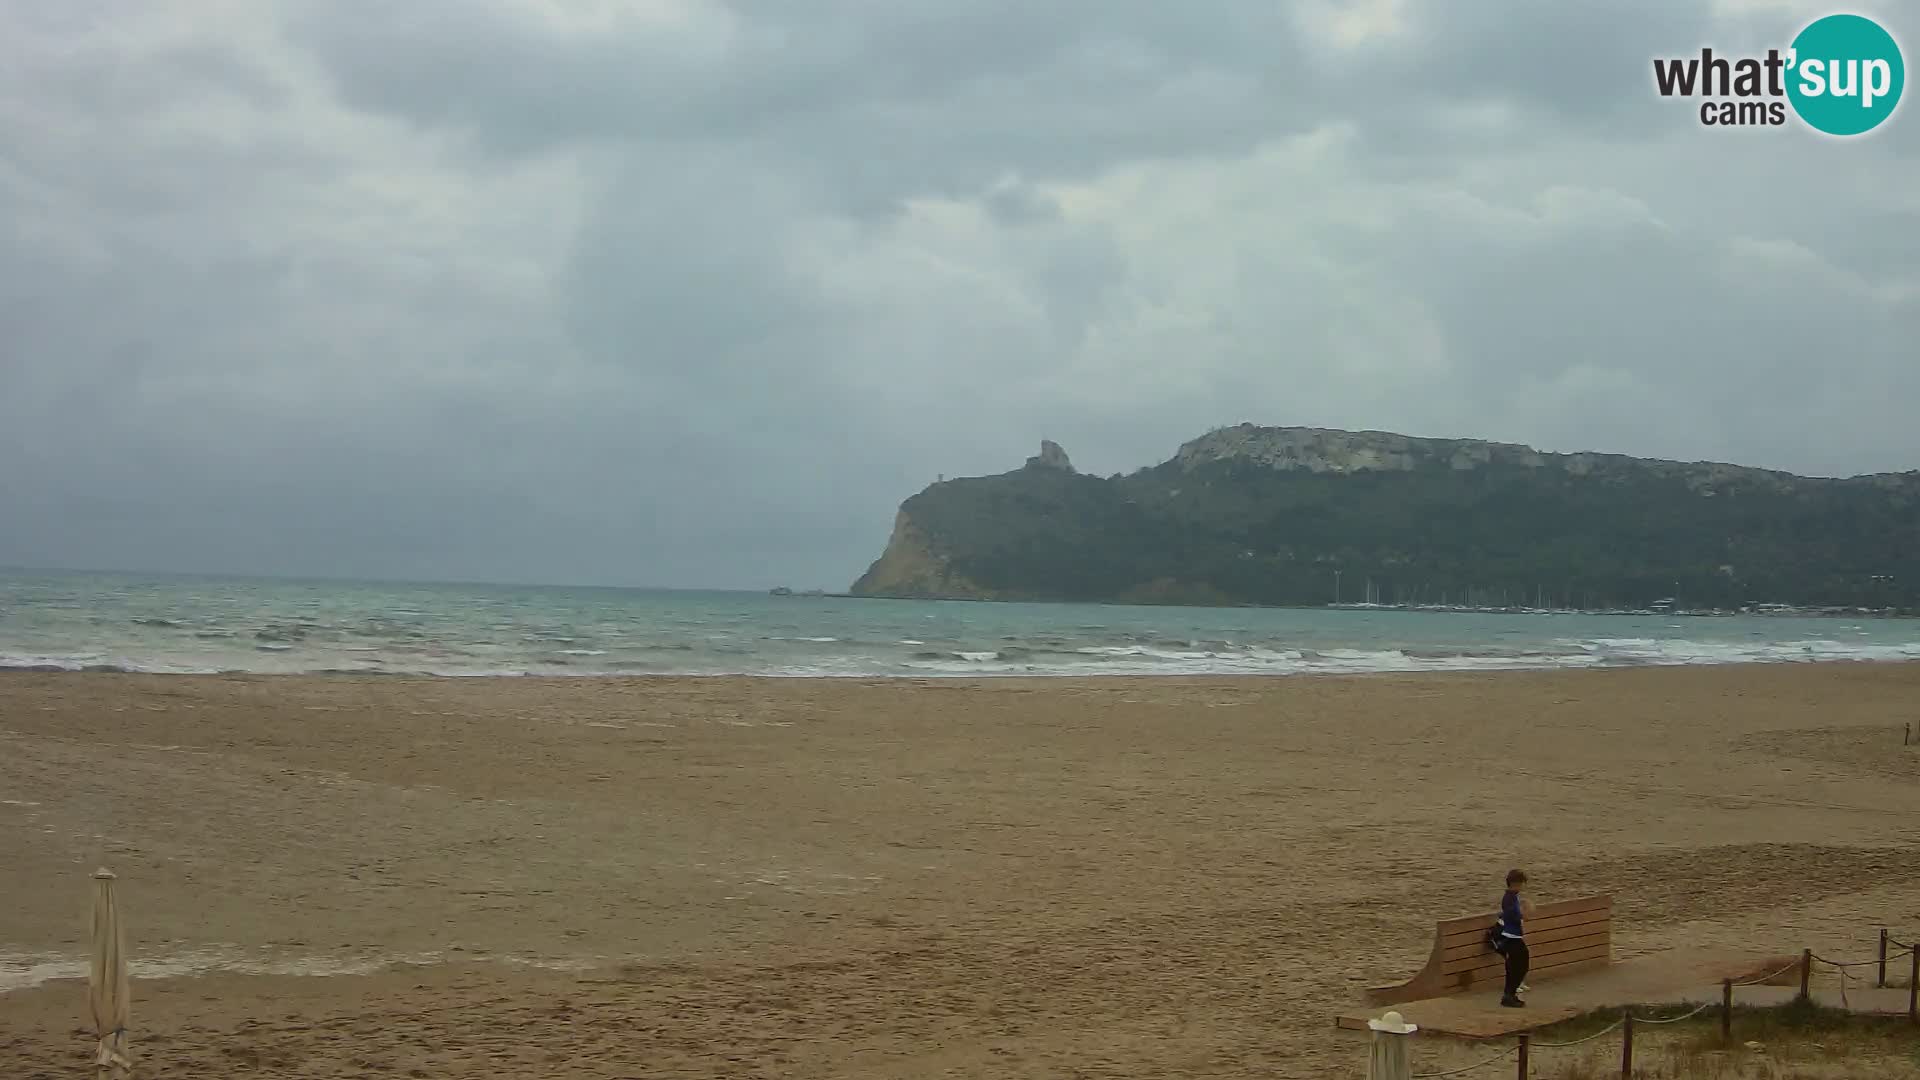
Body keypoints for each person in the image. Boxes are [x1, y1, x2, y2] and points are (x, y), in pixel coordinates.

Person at [1497, 868, 1531, 1008]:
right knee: (1519, 965)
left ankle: (1510, 994)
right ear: (1515, 883)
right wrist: (1525, 913)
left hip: (1514, 935)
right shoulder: (1510, 898)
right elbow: (1512, 916)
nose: (1522, 886)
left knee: (1517, 965)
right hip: (1511, 936)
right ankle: (1509, 995)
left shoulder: (1513, 896)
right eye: (1521, 883)